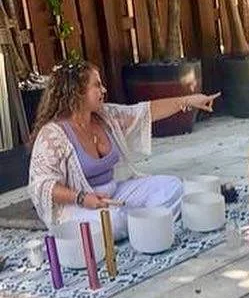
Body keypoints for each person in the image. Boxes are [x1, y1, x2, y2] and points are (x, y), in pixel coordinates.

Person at [28, 60, 217, 238]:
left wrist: (189, 101)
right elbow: (42, 185)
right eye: (97, 85)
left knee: (173, 188)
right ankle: (142, 222)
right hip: (76, 205)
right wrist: (83, 198)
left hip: (114, 192)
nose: (104, 89)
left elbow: (145, 112)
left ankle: (137, 222)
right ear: (77, 91)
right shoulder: (53, 135)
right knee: (114, 221)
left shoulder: (106, 116)